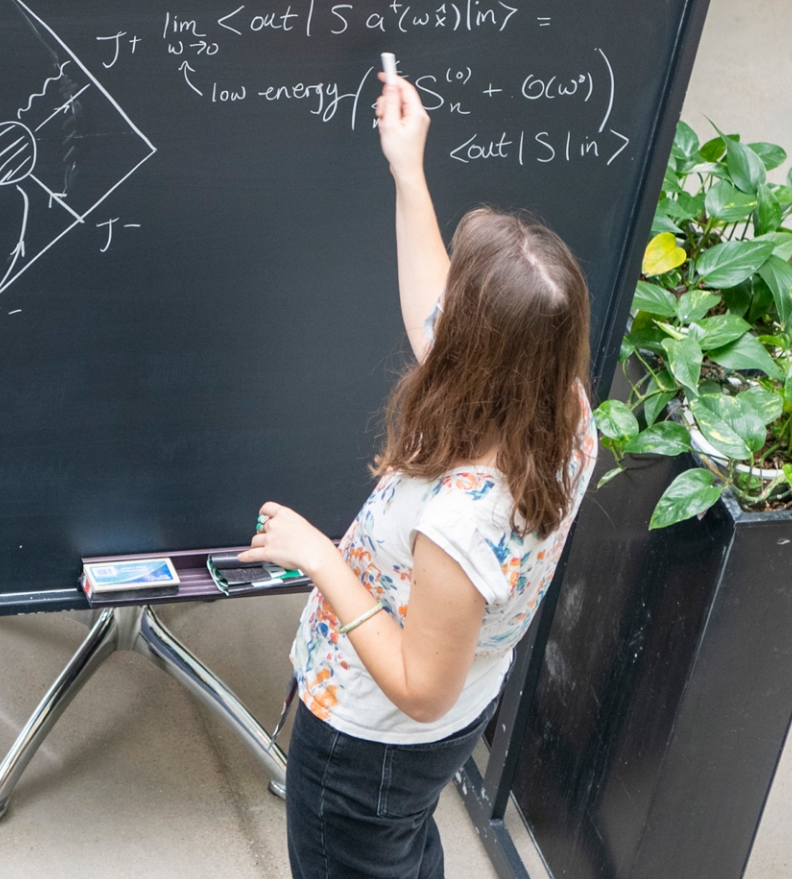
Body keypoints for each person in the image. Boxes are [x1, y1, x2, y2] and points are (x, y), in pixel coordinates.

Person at [235, 71, 599, 879]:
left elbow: (421, 687)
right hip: (449, 724)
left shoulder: (462, 518)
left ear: (477, 351)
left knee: (369, 854)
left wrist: (320, 558)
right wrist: (409, 172)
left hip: (372, 748)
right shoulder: (563, 411)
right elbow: (440, 310)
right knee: (401, 847)